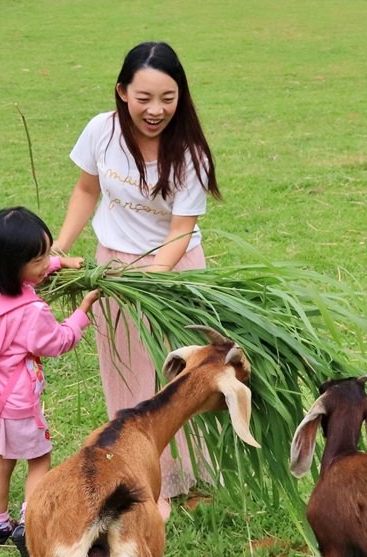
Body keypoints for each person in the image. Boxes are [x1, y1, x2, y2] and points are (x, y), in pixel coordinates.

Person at [52, 41, 221, 522]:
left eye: (168, 97)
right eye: (144, 97)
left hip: (175, 272)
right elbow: (86, 190)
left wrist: (152, 281)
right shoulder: (100, 132)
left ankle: (182, 478)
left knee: (178, 380)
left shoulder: (188, 152)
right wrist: (61, 248)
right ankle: (138, 479)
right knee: (125, 373)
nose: (156, 110)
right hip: (115, 268)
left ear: (181, 96)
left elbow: (179, 231)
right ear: (122, 92)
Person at [0, 207, 98, 557]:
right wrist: (81, 313)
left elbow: (26, 275)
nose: (46, 263)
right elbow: (56, 342)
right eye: (38, 259)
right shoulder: (31, 312)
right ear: (14, 265)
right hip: (20, 403)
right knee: (39, 459)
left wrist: (60, 263)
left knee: (2, 459)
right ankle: (31, 526)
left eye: (47, 253)